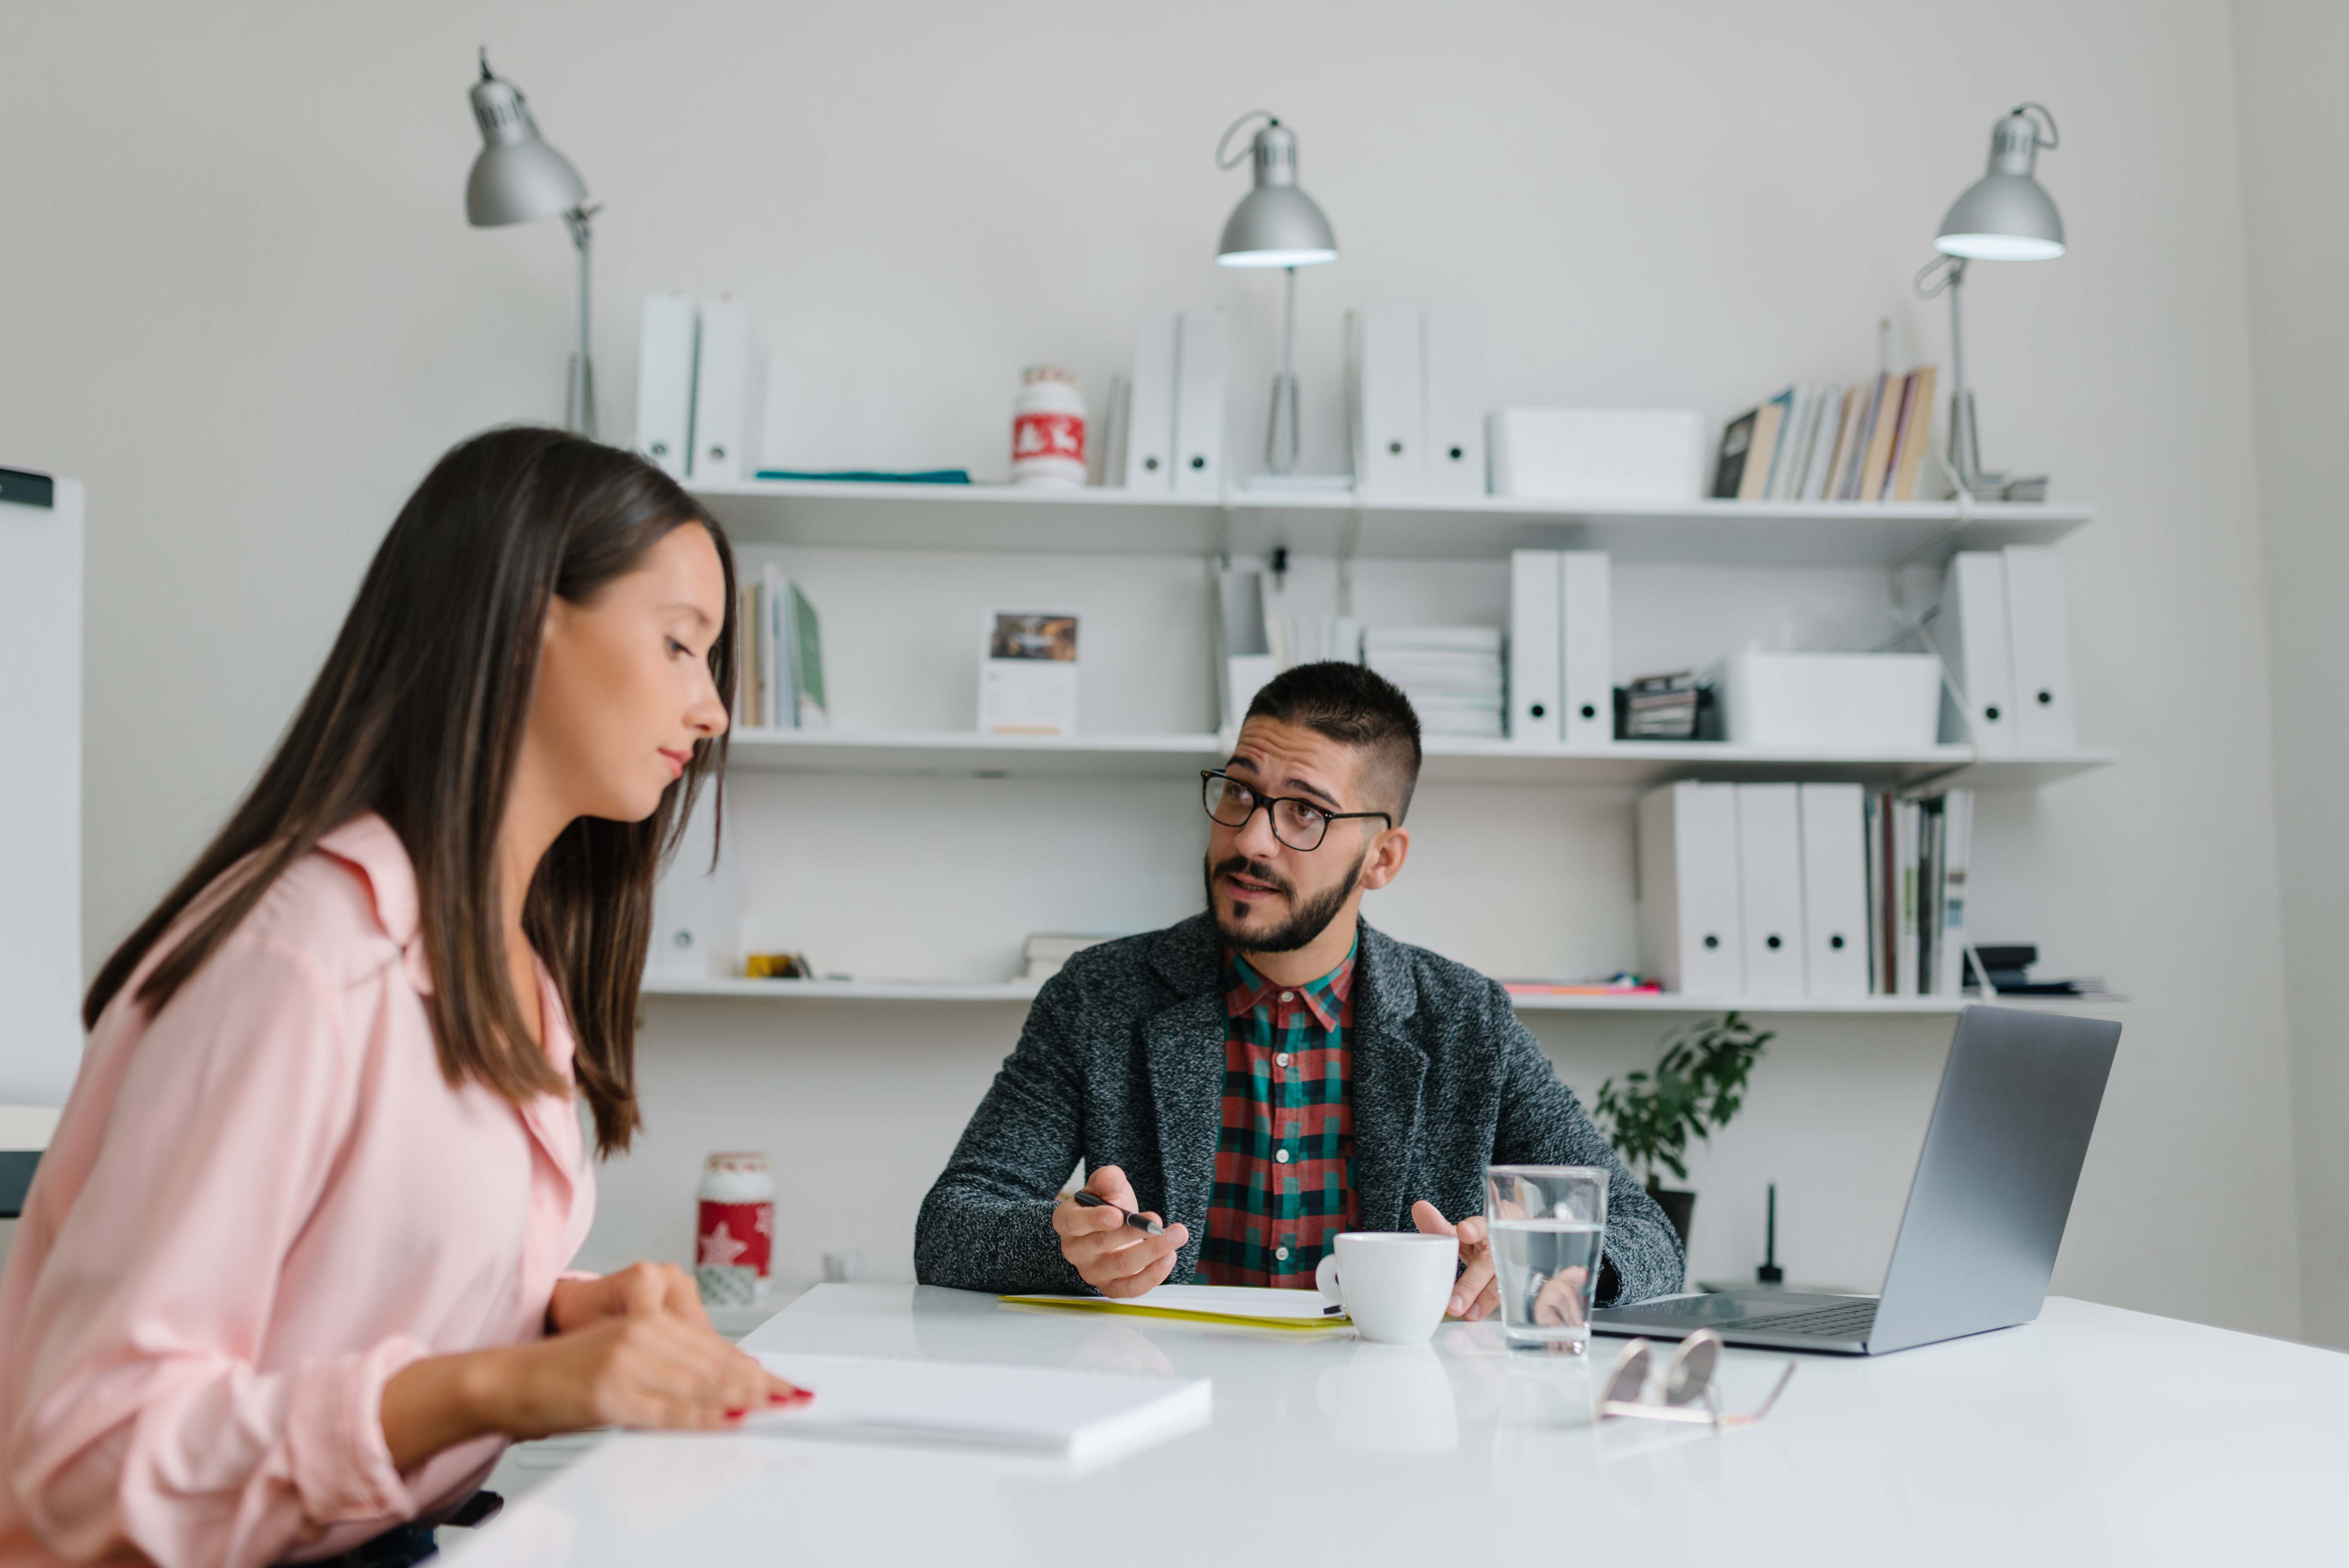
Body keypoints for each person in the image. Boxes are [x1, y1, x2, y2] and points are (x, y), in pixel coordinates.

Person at [0, 428, 800, 1568]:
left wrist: (552, 1315)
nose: (712, 710)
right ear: (524, 624)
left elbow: (334, 1298)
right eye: (680, 645)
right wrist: (500, 1384)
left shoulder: (510, 962)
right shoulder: (299, 959)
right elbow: (91, 1460)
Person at [915, 661, 1684, 1317]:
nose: (1250, 838)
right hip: (1162, 1405)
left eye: (1305, 813)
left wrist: (1531, 1258)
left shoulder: (1466, 1020)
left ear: (1382, 858)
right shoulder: (1100, 996)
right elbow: (951, 1224)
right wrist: (1068, 1246)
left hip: (1390, 1416)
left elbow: (1647, 1237)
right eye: (1239, 793)